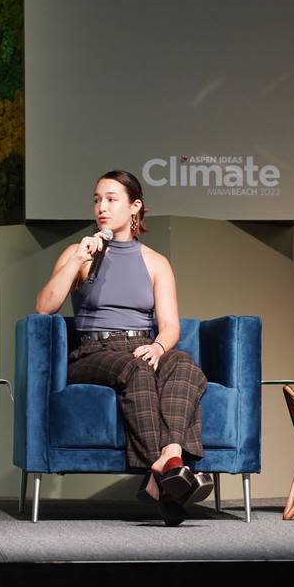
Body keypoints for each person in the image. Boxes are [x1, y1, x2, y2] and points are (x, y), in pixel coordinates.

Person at [35, 169, 211, 526]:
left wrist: (160, 347)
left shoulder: (156, 262)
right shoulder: (78, 252)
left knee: (186, 365)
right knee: (136, 368)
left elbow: (171, 325)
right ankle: (166, 470)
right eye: (97, 199)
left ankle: (170, 462)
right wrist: (76, 260)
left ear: (135, 206)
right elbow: (45, 307)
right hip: (94, 352)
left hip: (143, 346)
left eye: (112, 199)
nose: (102, 206)